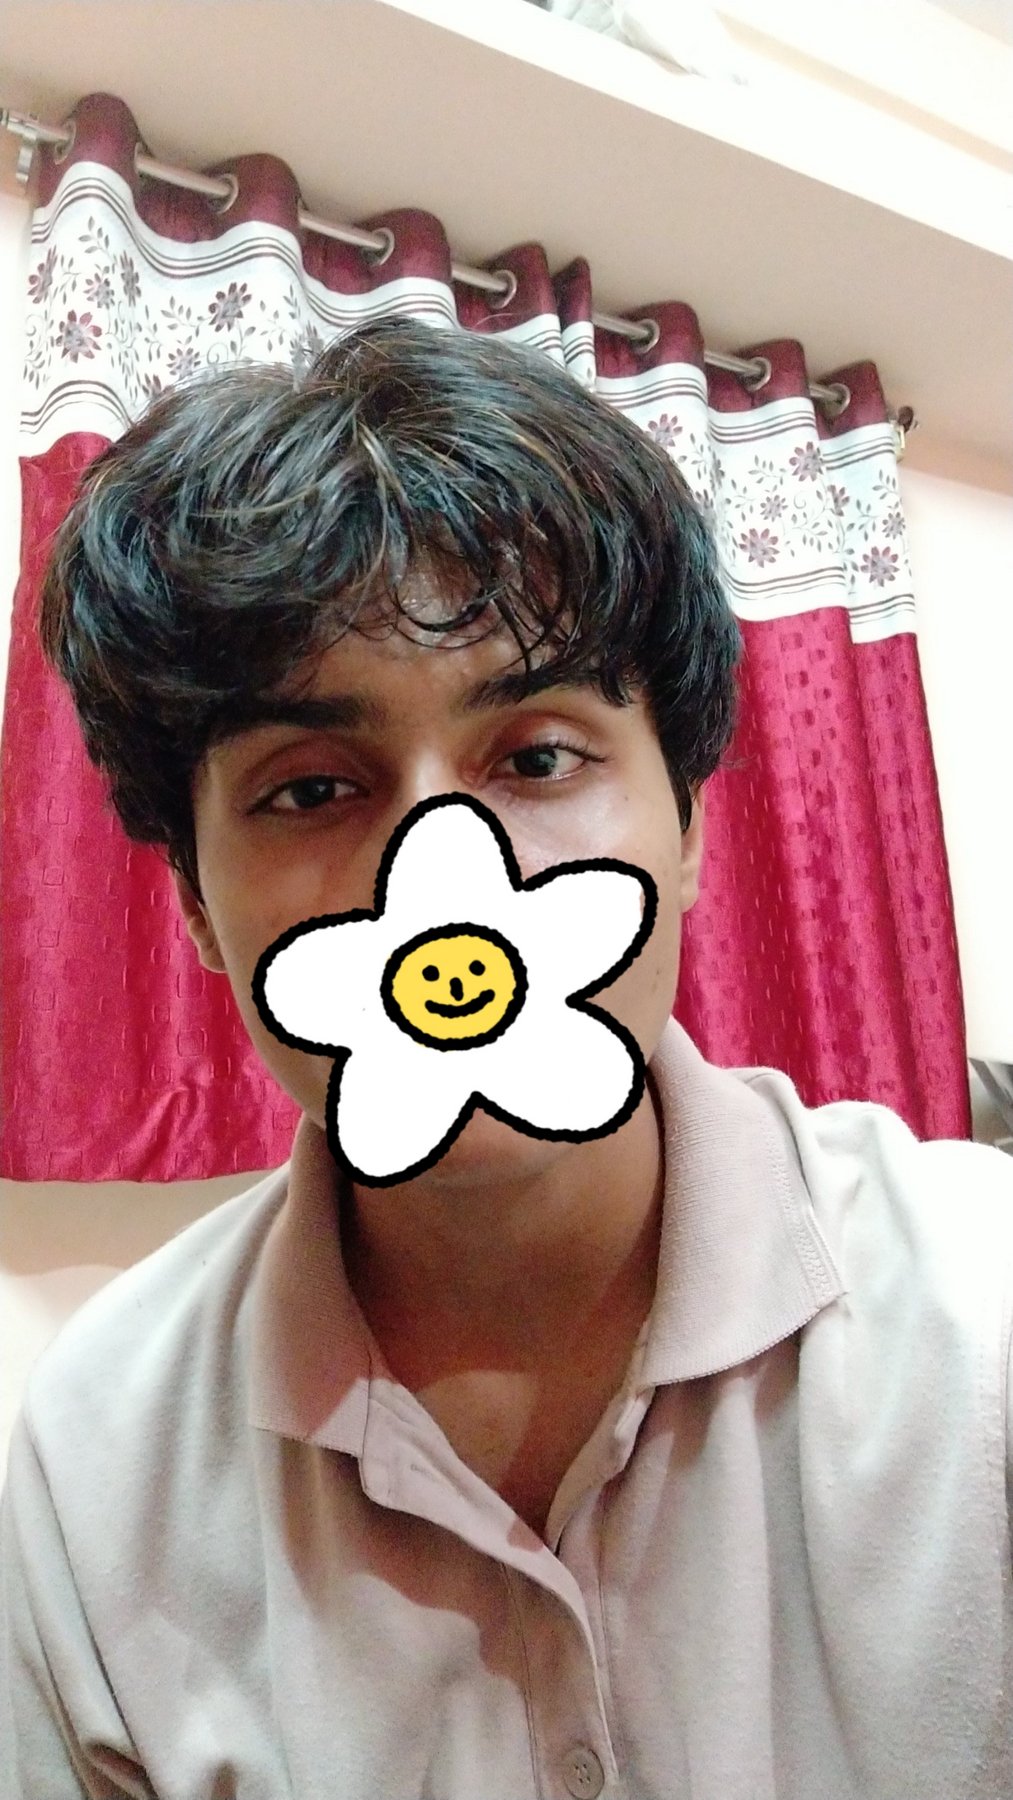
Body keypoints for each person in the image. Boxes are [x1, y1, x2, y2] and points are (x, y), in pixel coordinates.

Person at [1, 315, 1010, 1799]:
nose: (443, 876)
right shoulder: (85, 1474)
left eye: (537, 757)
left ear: (687, 828)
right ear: (199, 911)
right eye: (310, 789)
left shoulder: (985, 1318)